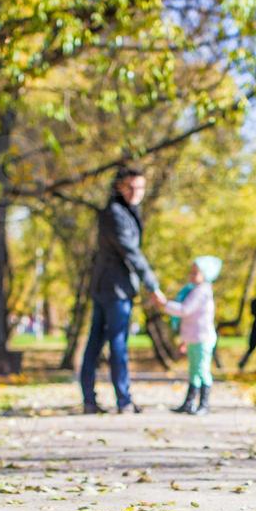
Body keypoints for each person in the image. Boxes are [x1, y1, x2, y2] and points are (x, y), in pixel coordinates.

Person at [80, 166, 164, 414]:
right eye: (131, 187)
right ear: (119, 186)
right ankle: (122, 400)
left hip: (109, 287)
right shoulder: (115, 214)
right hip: (114, 289)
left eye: (140, 187)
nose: (136, 192)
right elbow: (130, 251)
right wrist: (152, 283)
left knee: (97, 342)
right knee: (115, 343)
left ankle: (91, 400)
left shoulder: (124, 212)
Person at [155, 255, 222, 415]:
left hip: (202, 338)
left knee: (202, 370)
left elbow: (185, 310)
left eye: (195, 273)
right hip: (193, 338)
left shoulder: (203, 292)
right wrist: (184, 340)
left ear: (204, 275)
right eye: (191, 273)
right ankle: (189, 402)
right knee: (193, 371)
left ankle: (204, 404)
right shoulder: (194, 290)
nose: (191, 276)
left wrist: (164, 304)